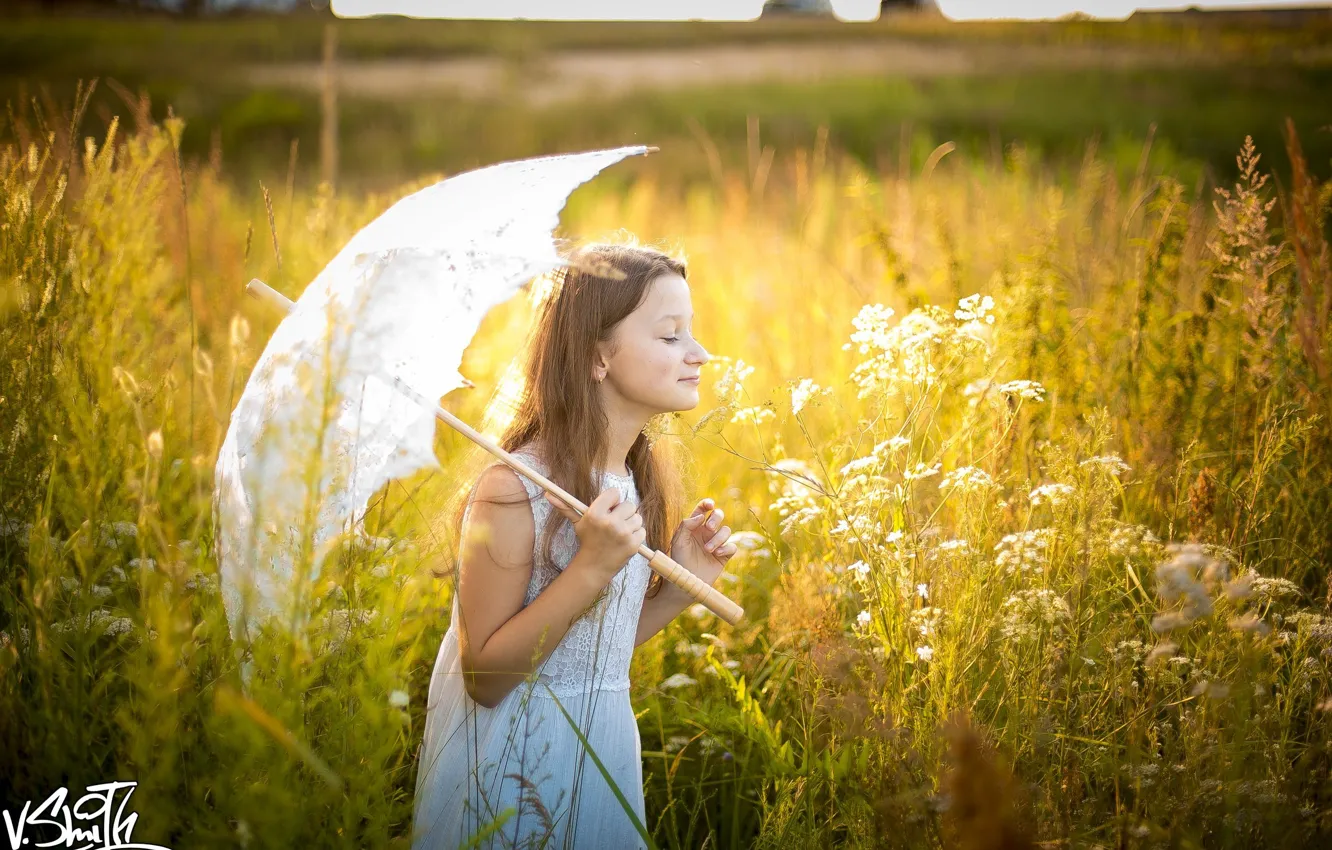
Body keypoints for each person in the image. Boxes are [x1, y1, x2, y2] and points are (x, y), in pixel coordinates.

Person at [411, 241, 739, 849]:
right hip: (518, 766)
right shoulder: (513, 489)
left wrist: (681, 588)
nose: (699, 353)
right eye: (670, 337)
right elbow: (485, 676)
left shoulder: (630, 482)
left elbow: (590, 654)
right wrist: (589, 568)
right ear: (597, 358)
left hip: (601, 746)